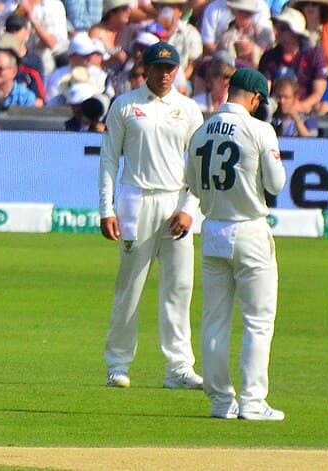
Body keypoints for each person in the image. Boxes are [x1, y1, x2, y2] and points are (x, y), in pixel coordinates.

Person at [98, 42, 204, 390]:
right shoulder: (125, 106)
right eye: (158, 68)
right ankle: (117, 363)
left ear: (178, 69)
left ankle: (179, 367)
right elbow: (110, 160)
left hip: (176, 201)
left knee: (179, 286)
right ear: (145, 69)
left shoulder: (189, 110)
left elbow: (198, 167)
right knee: (130, 285)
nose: (164, 74)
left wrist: (189, 209)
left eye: (171, 68)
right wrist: (106, 208)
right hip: (136, 199)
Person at [185, 67, 287, 421]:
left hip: (212, 229)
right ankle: (253, 402)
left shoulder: (200, 131)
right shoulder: (260, 129)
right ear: (256, 98)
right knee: (258, 321)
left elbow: (194, 187)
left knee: (214, 319)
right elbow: (275, 184)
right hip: (249, 230)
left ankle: (219, 402)